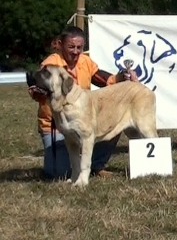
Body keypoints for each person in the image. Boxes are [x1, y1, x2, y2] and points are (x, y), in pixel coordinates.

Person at [28, 26, 137, 179]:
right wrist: (40, 92)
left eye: (79, 47)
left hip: (82, 119)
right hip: (55, 127)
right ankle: (68, 165)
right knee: (60, 174)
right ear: (60, 44)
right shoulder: (50, 65)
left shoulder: (85, 61)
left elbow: (102, 79)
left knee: (112, 122)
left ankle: (95, 164)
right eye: (71, 47)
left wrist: (122, 76)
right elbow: (35, 90)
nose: (75, 51)